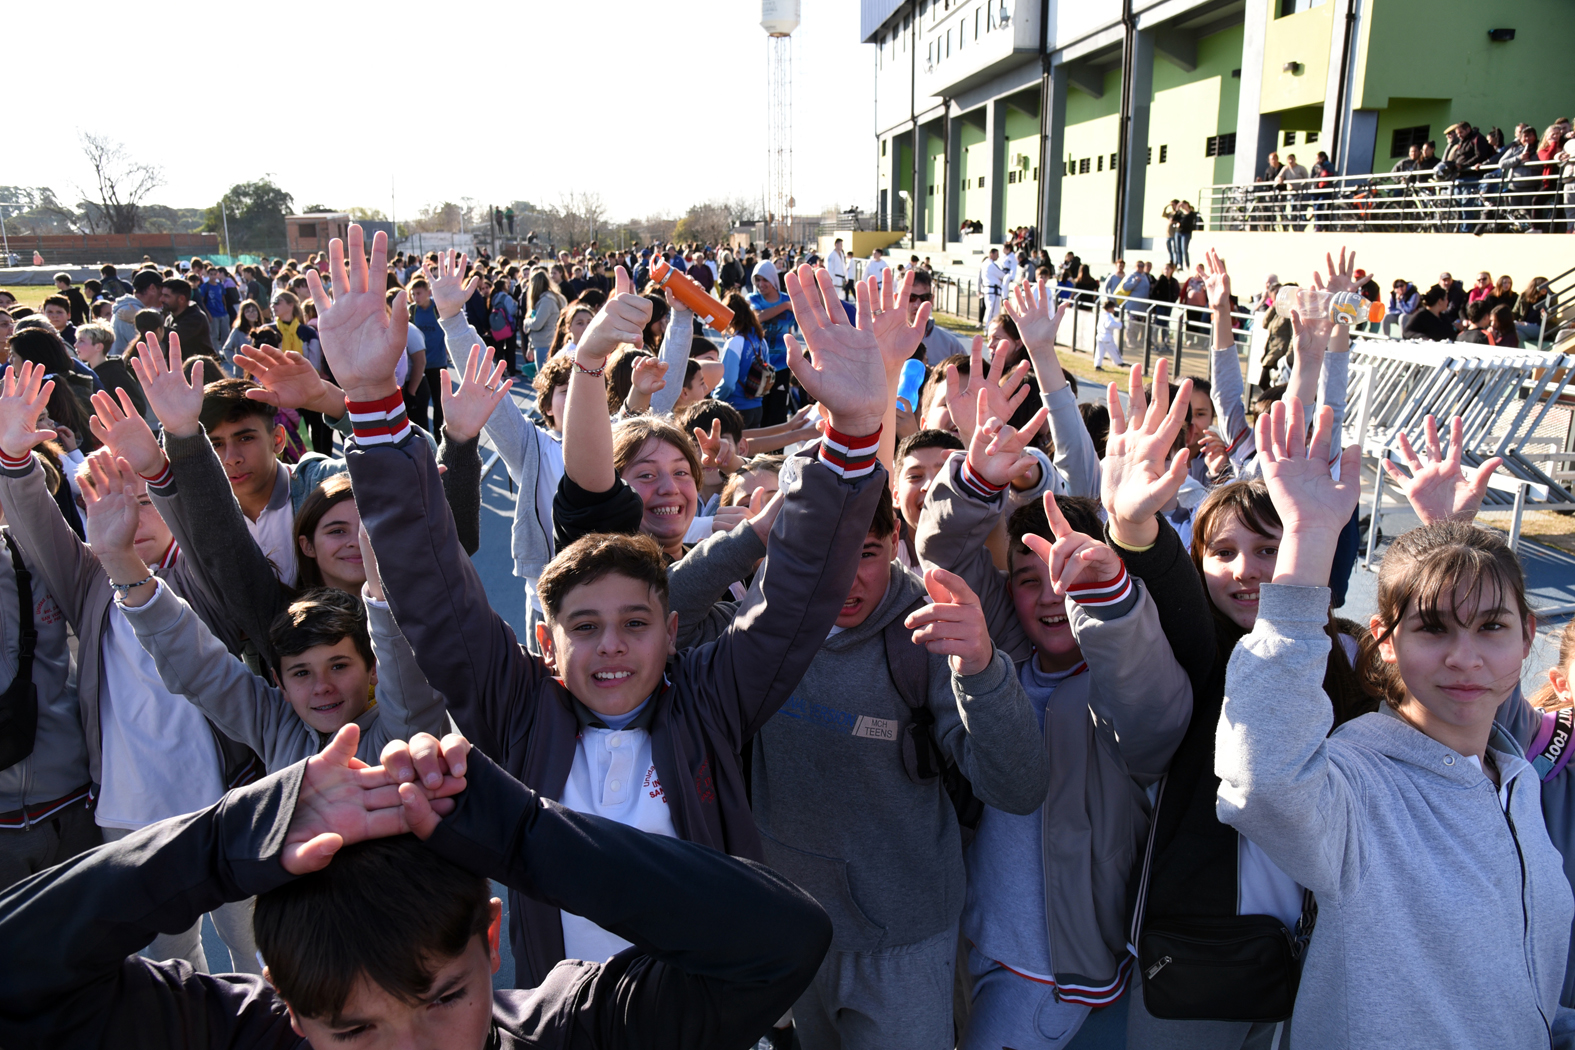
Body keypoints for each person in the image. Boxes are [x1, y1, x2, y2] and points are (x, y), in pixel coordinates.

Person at [314, 226, 892, 990]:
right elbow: (432, 590)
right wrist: (370, 402)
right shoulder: (516, 709)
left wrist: (854, 433)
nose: (612, 647)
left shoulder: (709, 703)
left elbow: (797, 599)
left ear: (672, 633)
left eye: (635, 623)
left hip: (702, 1016)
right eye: (583, 628)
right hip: (573, 1019)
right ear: (546, 644)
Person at [0, 727, 836, 1050]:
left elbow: (779, 943)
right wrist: (223, 843)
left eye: (442, 1000)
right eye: (355, 1029)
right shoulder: (222, 1037)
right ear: (282, 998)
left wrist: (525, 834)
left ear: (494, 941)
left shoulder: (574, 1035)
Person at [1215, 397, 1571, 1049]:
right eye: (1431, 628)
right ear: (1383, 641)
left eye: (1490, 627)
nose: (1464, 657)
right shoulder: (1355, 783)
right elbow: (1261, 781)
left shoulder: (1511, 772)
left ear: (1526, 638)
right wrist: (1305, 544)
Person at [920, 365, 1200, 1049]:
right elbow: (944, 556)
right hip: (979, 942)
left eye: (1070, 578)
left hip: (1055, 975)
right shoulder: (1008, 657)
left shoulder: (1120, 673)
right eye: (1027, 580)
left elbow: (1154, 719)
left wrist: (1106, 594)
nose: (1050, 597)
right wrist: (977, 479)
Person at [747, 260, 796, 427]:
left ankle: (778, 453)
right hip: (758, 367)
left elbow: (791, 332)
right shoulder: (753, 299)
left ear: (773, 280)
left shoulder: (788, 300)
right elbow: (757, 317)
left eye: (764, 280)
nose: (761, 284)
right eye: (757, 280)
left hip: (781, 367)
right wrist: (784, 306)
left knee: (778, 415)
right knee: (760, 416)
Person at [159, 277, 218, 360]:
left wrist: (151, 324)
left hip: (201, 370)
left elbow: (174, 336)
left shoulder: (196, 318)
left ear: (181, 299)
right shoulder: (170, 318)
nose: (161, 299)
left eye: (166, 296)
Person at [523, 270, 562, 373]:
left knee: (543, 378)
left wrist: (526, 322)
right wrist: (530, 346)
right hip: (542, 342)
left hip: (545, 342)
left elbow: (537, 324)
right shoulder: (547, 299)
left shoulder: (546, 301)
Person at [1093, 299, 1124, 371]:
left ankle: (1097, 365)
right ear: (1110, 308)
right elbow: (1109, 324)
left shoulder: (1102, 314)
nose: (1114, 310)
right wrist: (1119, 325)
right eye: (1113, 308)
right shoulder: (1108, 316)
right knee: (1114, 351)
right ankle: (1119, 362)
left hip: (1100, 336)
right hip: (1107, 337)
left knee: (1099, 352)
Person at [981, 248, 1007, 328]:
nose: (998, 257)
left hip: (990, 290)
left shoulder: (985, 263)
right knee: (992, 311)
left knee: (992, 311)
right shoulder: (990, 264)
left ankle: (989, 327)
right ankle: (988, 328)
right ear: (991, 254)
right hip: (992, 291)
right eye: (996, 255)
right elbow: (1002, 275)